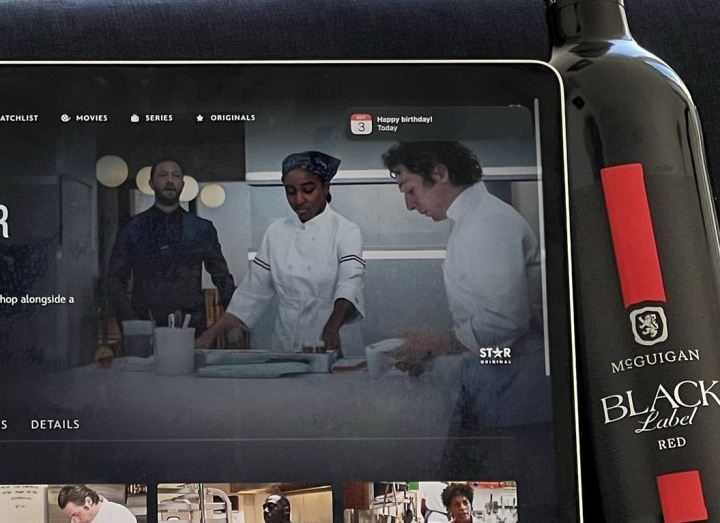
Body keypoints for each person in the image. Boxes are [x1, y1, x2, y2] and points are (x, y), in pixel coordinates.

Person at [381, 140, 541, 371]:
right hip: (505, 366)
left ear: (440, 173)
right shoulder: (470, 219)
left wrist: (438, 344)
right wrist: (435, 352)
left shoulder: (488, 222)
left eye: (411, 190)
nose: (410, 205)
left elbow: (506, 321)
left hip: (521, 371)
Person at [197, 151, 365, 352]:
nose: (299, 200)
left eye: (308, 190)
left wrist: (332, 327)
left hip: (333, 338)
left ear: (325, 187)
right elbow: (251, 293)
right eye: (291, 192)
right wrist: (210, 334)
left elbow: (349, 283)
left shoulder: (346, 231)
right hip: (287, 340)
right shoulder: (276, 233)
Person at [106, 158, 235, 336]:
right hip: (144, 324)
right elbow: (114, 280)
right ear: (151, 183)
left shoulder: (202, 228)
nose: (169, 180)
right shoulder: (131, 228)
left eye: (175, 176)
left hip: (192, 325)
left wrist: (233, 319)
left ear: (182, 184)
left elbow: (221, 276)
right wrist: (131, 323)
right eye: (162, 175)